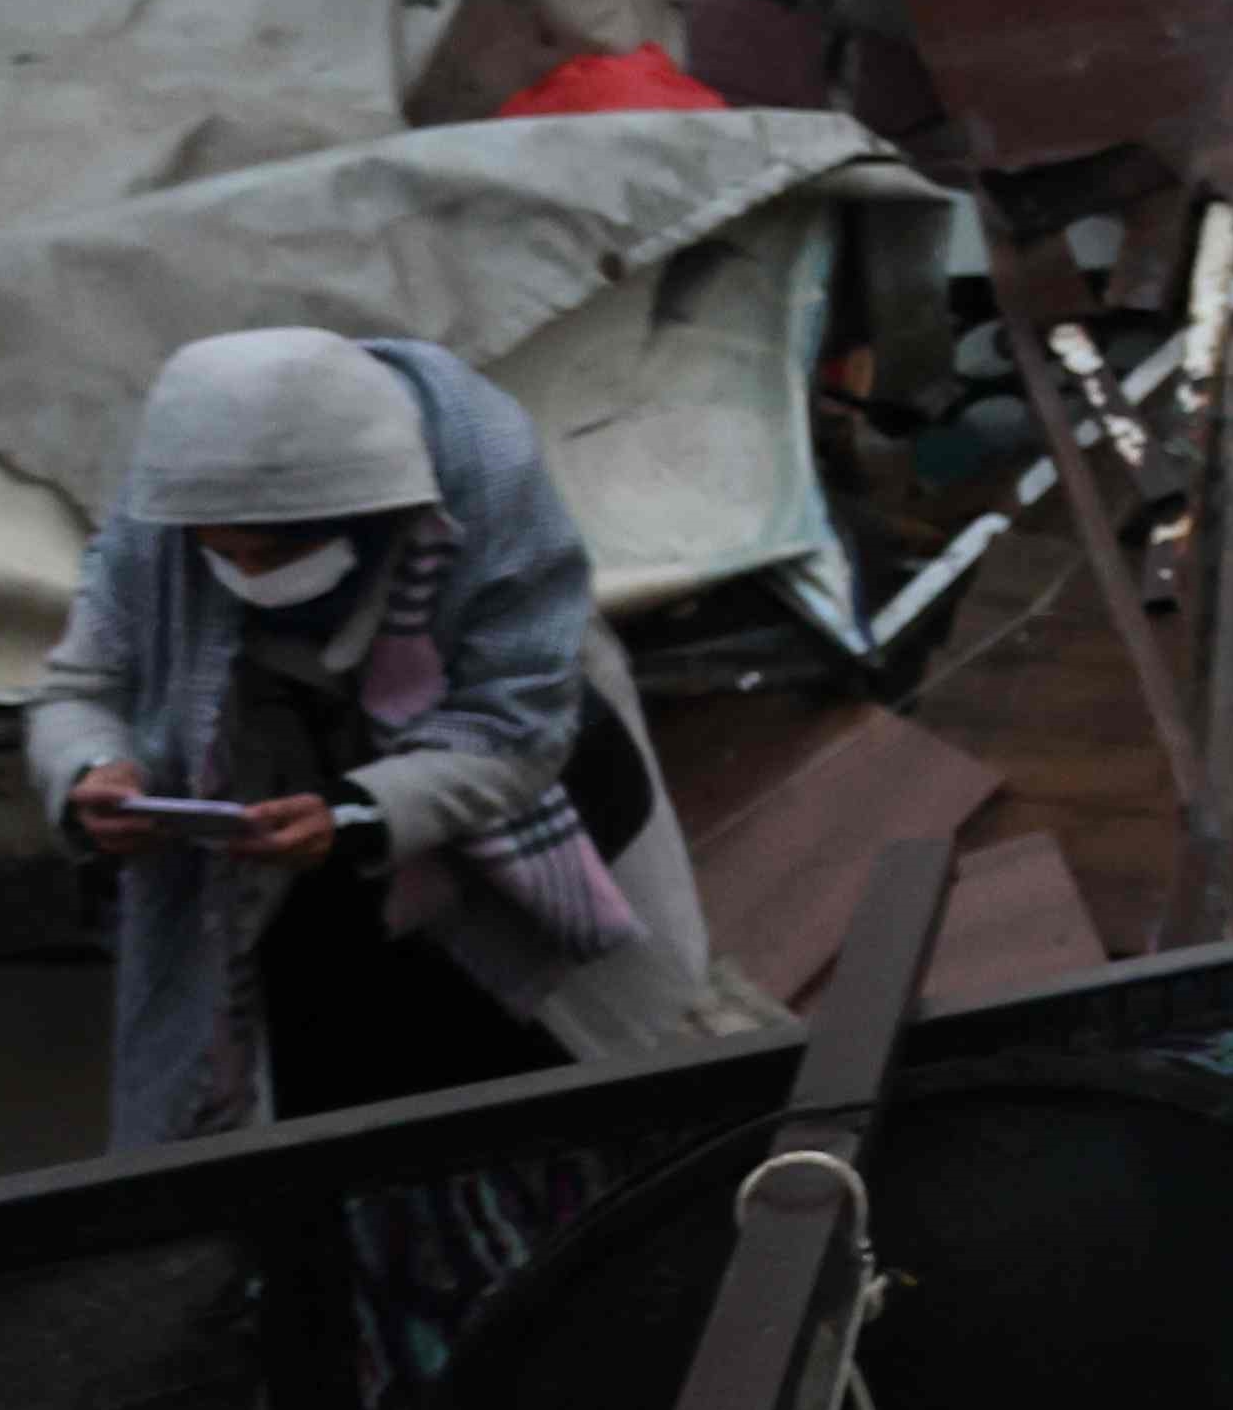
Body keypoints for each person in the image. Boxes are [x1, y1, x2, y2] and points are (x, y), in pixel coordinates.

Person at [29, 329, 740, 1144]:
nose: (250, 577)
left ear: (375, 520)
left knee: (531, 1096)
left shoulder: (489, 506)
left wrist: (357, 813)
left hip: (513, 824)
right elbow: (81, 688)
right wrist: (93, 770)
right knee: (334, 1093)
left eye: (277, 551)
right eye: (225, 554)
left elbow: (513, 732)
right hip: (278, 841)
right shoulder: (157, 532)